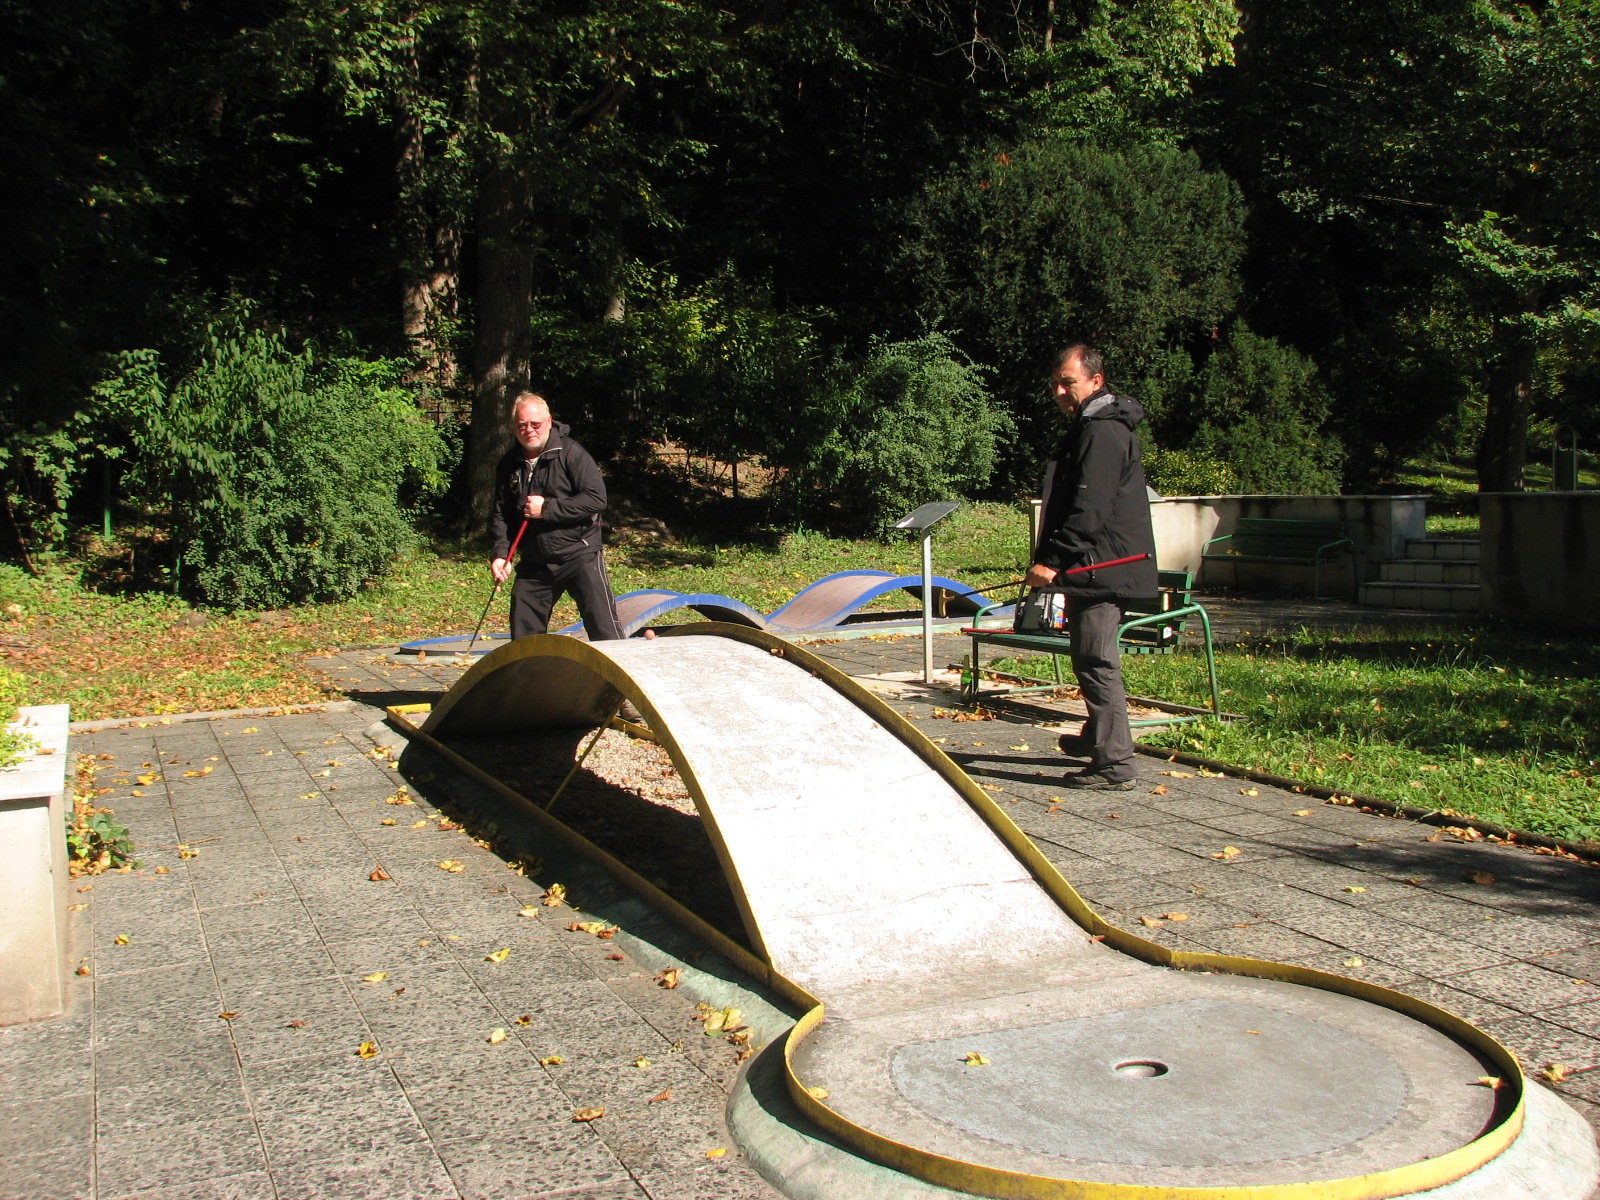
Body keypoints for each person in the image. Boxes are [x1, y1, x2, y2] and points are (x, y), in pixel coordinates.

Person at [1024, 345, 1159, 790]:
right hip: (1096, 566)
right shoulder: (1091, 426)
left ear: (1096, 381)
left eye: (1069, 382)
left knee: (1097, 662)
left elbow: (1089, 509)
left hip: (1106, 567)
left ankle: (1115, 765)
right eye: (1055, 384)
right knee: (1089, 658)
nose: (1060, 392)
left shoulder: (1103, 431)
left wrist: (1051, 561)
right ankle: (1097, 737)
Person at [490, 392, 625, 641]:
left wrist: (547, 509)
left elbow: (596, 499)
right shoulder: (509, 464)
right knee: (524, 638)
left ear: (549, 421)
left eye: (535, 424)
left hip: (578, 554)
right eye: (522, 425)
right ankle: (531, 668)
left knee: (604, 629)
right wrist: (500, 554)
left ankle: (619, 666)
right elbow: (502, 514)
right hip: (535, 562)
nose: (529, 430)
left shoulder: (571, 453)